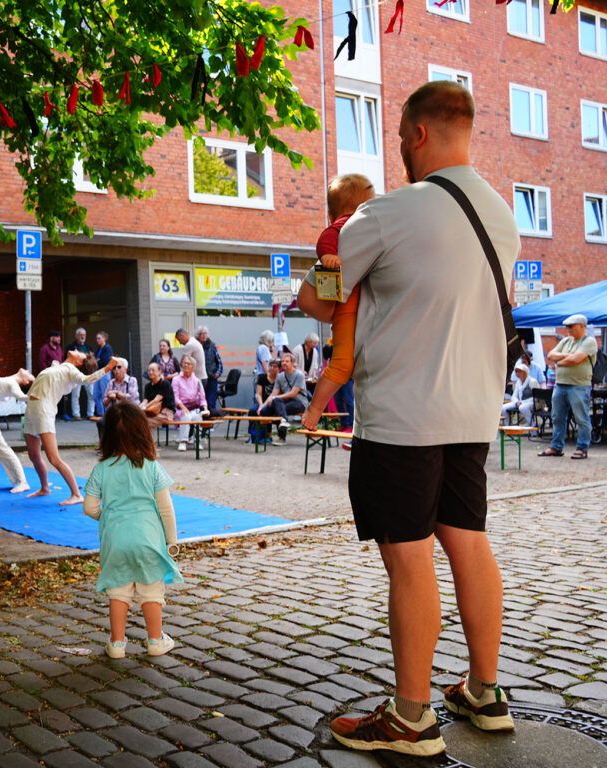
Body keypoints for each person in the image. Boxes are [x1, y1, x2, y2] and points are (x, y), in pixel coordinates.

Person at [298, 81, 520, 757]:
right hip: (472, 411)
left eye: (398, 137)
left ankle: (410, 717)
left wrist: (324, 270)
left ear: (418, 134)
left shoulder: (388, 213)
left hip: (402, 416)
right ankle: (484, 692)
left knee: (410, 561)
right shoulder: (503, 214)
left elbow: (318, 299)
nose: (398, 149)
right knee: (468, 542)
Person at [82, 400, 182, 659]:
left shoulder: (101, 470)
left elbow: (90, 507)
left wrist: (108, 518)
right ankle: (155, 640)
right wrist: (171, 540)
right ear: (143, 432)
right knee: (150, 590)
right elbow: (166, 508)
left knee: (118, 590)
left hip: (115, 541)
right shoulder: (151, 467)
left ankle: (116, 644)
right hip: (149, 539)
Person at [300, 174, 376, 434]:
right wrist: (329, 255)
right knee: (342, 365)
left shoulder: (356, 224)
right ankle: (315, 408)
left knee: (344, 365)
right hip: (347, 307)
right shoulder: (350, 224)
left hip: (349, 307)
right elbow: (326, 237)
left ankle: (317, 407)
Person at [24, 349, 122, 504]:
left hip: (44, 410)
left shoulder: (71, 371)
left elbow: (89, 379)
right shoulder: (59, 366)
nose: (76, 349)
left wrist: (108, 367)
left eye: (80, 353)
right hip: (31, 409)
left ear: (78, 362)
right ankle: (44, 488)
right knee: (33, 455)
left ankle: (76, 494)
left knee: (53, 457)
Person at [539, 314, 598, 460]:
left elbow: (576, 359)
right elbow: (551, 355)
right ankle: (556, 447)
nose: (568, 329)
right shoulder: (565, 341)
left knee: (581, 418)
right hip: (560, 385)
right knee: (557, 417)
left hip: (579, 386)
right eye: (567, 326)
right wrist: (568, 357)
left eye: (571, 326)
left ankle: (582, 448)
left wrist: (560, 361)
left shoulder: (589, 341)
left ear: (581, 326)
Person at [171, 354, 207, 452]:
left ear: (193, 367)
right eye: (185, 363)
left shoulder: (197, 381)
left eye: (189, 364)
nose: (186, 365)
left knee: (197, 416)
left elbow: (202, 398)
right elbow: (175, 397)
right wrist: (182, 407)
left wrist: (205, 408)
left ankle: (197, 441)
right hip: (180, 407)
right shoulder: (176, 379)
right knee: (186, 415)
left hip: (194, 407)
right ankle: (183, 441)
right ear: (182, 365)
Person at [96, 359, 140, 440]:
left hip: (129, 412)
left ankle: (123, 446)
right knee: (100, 422)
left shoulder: (132, 380)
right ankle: (104, 447)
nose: (116, 370)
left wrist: (116, 393)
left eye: (119, 367)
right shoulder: (111, 382)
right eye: (114, 368)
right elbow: (104, 403)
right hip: (115, 412)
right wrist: (109, 397)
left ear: (125, 369)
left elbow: (131, 398)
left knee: (121, 424)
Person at [246, 358, 281, 445]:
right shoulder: (262, 377)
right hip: (261, 401)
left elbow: (275, 395)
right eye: (270, 366)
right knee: (252, 410)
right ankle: (252, 435)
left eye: (275, 366)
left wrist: (263, 407)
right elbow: (259, 394)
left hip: (273, 403)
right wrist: (261, 405)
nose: (272, 368)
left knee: (267, 412)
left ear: (278, 368)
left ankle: (268, 435)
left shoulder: (280, 379)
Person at [65, 328, 94, 421]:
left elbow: (93, 359)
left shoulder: (89, 347)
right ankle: (76, 414)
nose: (82, 336)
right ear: (76, 335)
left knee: (91, 394)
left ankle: (90, 413)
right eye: (81, 334)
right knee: (75, 395)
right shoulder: (71, 347)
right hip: (76, 374)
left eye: (84, 335)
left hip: (88, 374)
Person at [196, 326, 223, 412]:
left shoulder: (212, 345)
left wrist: (218, 373)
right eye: (201, 334)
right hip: (199, 378)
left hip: (211, 377)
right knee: (200, 403)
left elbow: (219, 361)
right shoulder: (195, 346)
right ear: (197, 336)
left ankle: (210, 424)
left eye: (205, 333)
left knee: (210, 403)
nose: (204, 336)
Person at [501, 362, 535, 426]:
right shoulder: (518, 383)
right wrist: (517, 402)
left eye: (519, 371)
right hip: (519, 402)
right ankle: (507, 426)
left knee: (523, 408)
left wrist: (522, 402)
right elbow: (514, 396)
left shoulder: (532, 381)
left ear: (524, 372)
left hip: (532, 403)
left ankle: (533, 426)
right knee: (503, 408)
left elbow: (536, 397)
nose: (517, 373)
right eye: (516, 371)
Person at [92, 331, 114, 417]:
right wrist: (97, 361)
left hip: (104, 373)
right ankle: (101, 413)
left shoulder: (107, 348)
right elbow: (95, 360)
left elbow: (105, 361)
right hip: (97, 373)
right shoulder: (99, 349)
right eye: (96, 338)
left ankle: (107, 413)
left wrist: (97, 361)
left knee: (105, 393)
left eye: (99, 338)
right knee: (96, 394)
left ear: (104, 338)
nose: (97, 340)